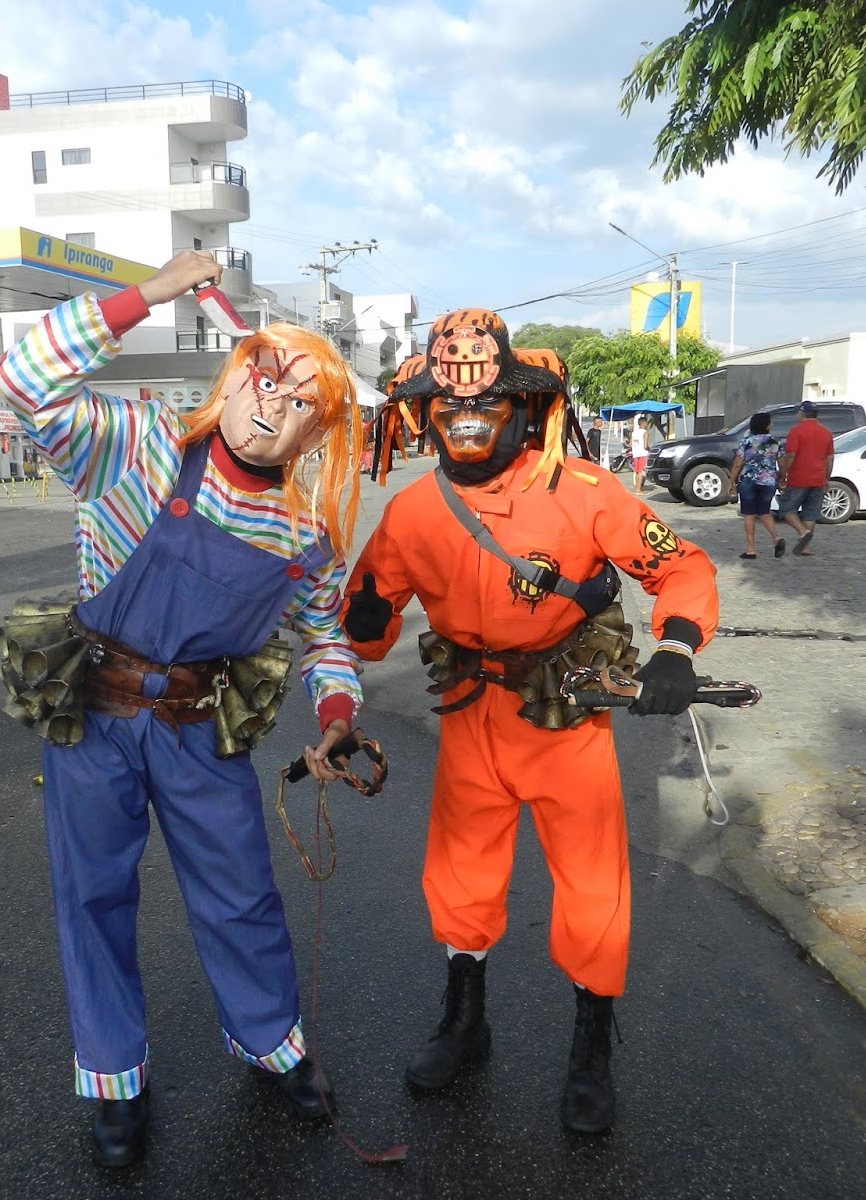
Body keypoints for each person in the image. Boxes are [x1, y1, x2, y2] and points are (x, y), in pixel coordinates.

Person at [0, 250, 366, 1169]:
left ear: (316, 436)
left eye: (300, 401)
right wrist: (149, 294)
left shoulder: (306, 535)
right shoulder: (138, 443)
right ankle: (115, 1081)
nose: (271, 403)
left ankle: (273, 1043)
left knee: (241, 896)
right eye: (263, 376)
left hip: (202, 732)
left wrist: (336, 716)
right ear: (233, 374)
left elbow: (326, 639)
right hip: (98, 718)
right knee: (93, 900)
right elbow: (21, 380)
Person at [340, 308, 719, 1134]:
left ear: (521, 407)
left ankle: (592, 1047)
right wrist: (340, 611)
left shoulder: (586, 492)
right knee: (460, 875)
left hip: (564, 716)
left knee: (590, 885)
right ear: (426, 414)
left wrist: (678, 649)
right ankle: (465, 1020)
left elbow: (680, 565)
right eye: (447, 407)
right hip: (471, 716)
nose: (466, 421)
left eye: (485, 406)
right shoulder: (411, 511)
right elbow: (363, 629)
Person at [776, 401, 836, 556]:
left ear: (802, 413)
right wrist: (826, 478)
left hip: (798, 478)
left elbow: (790, 456)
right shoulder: (826, 432)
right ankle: (805, 547)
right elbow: (829, 459)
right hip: (818, 478)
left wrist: (783, 475)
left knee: (786, 509)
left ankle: (802, 532)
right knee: (810, 513)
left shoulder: (796, 432)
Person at [727, 411, 786, 559]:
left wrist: (731, 482)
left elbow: (738, 463)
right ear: (766, 425)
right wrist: (782, 478)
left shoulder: (747, 442)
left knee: (748, 514)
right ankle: (775, 538)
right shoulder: (775, 442)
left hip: (748, 480)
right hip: (768, 482)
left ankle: (751, 549)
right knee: (764, 512)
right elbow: (782, 464)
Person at [628, 415, 650, 493]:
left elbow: (630, 444)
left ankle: (637, 488)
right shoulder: (645, 433)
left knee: (637, 472)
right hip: (642, 453)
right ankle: (638, 489)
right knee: (641, 472)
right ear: (644, 424)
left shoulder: (634, 432)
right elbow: (645, 446)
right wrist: (649, 449)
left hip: (635, 453)